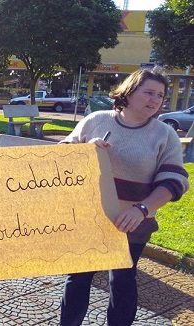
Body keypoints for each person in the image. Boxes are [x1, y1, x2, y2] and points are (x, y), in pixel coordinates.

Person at [59, 68, 189, 326]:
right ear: (128, 92)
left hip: (132, 222)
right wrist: (86, 151)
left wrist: (141, 209)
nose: (154, 100)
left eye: (160, 95)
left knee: (122, 279)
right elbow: (59, 159)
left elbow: (175, 182)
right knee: (79, 277)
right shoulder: (96, 120)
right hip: (90, 219)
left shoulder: (165, 134)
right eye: (148, 92)